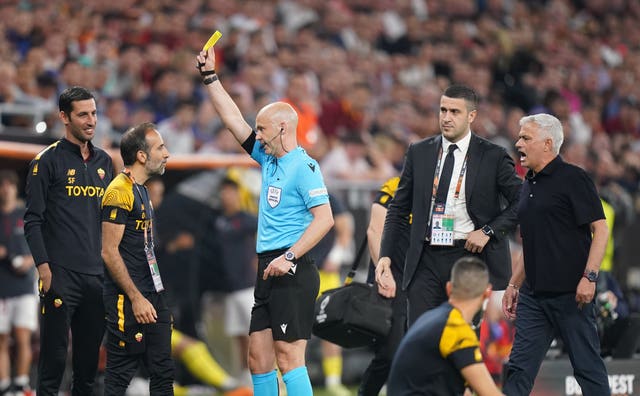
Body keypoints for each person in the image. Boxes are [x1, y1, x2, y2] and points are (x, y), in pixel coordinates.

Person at [196, 47, 334, 396]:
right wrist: (211, 78)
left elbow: (325, 219)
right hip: (266, 266)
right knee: (258, 358)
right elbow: (233, 121)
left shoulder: (304, 167)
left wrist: (288, 257)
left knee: (289, 357)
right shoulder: (269, 158)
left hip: (293, 267)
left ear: (283, 128)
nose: (255, 135)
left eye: (262, 129)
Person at [376, 84, 522, 326]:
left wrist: (489, 231)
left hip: (469, 257)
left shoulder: (493, 156)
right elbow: (399, 208)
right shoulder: (419, 152)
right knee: (422, 334)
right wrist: (386, 256)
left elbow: (521, 201)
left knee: (461, 337)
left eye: (455, 112)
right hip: (425, 257)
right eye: (443, 110)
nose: (446, 118)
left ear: (471, 116)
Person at [502, 113, 610, 395]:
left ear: (548, 144)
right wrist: (514, 284)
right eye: (519, 137)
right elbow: (531, 242)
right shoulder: (527, 184)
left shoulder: (574, 178)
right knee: (518, 369)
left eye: (526, 138)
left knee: (588, 370)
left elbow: (601, 230)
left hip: (571, 295)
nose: (518, 143)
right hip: (534, 298)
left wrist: (590, 277)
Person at [24, 86, 114, 396]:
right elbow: (32, 220)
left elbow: (110, 223)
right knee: (54, 363)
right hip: (61, 276)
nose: (91, 120)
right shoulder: (46, 161)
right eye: (83, 114)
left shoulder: (105, 162)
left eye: (94, 113)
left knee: (88, 368)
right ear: (64, 117)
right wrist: (45, 271)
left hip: (97, 278)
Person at [100, 122, 172, 395]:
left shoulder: (142, 190)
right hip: (128, 300)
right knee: (119, 377)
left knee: (164, 372)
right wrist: (135, 297)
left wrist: (153, 294)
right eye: (160, 147)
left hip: (153, 294)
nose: (166, 154)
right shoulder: (119, 191)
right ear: (141, 155)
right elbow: (109, 251)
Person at [387, 256, 503, 396]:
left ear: (449, 288)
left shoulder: (429, 318)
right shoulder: (455, 328)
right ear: (488, 292)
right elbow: (489, 393)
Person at [359, 176, 408, 396]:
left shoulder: (445, 187)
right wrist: (384, 271)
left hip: (424, 276)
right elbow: (374, 231)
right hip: (392, 276)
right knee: (391, 350)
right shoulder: (395, 186)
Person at [310, 193, 354, 396]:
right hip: (300, 271)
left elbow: (344, 225)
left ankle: (333, 381)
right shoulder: (292, 193)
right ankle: (285, 382)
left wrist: (336, 256)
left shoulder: (325, 194)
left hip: (325, 273)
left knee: (331, 326)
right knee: (293, 328)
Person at [0, 170, 37, 395]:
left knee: (23, 336)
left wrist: (29, 261)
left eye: (9, 185)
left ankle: (22, 383)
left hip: (23, 286)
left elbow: (40, 244)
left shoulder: (25, 214)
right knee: (1, 338)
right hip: (1, 288)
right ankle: (4, 386)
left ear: (15, 187)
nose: (6, 188)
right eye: (2, 185)